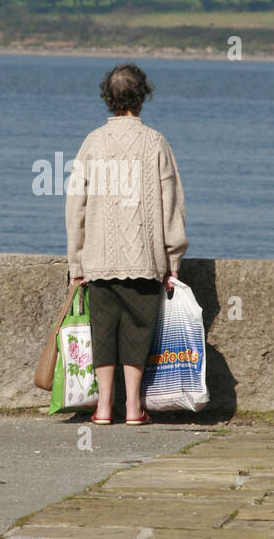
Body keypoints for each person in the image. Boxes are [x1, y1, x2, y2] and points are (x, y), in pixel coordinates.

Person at [65, 63, 188, 425]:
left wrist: (76, 263)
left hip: (99, 260)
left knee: (101, 330)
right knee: (138, 331)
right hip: (146, 259)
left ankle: (103, 408)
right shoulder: (156, 142)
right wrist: (173, 260)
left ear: (108, 97)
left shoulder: (92, 142)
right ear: (142, 96)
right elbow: (172, 205)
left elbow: (76, 206)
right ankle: (134, 407)